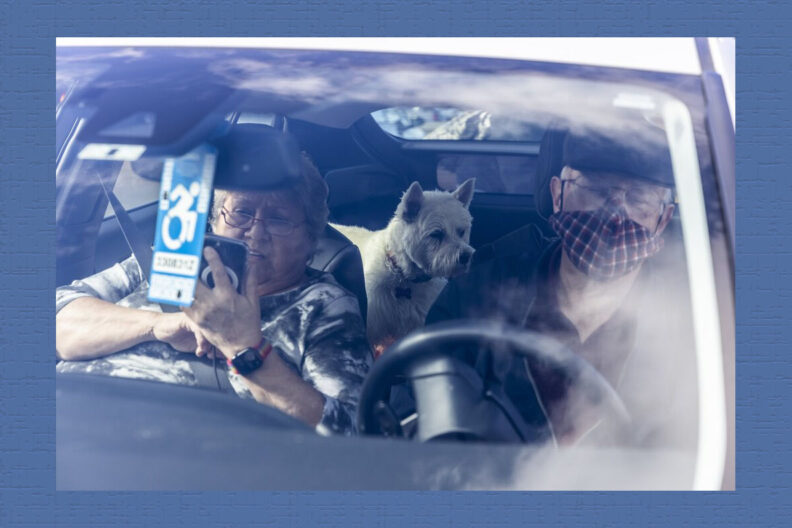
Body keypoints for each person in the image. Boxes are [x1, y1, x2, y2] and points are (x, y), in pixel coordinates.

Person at [56, 125, 373, 436]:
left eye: (278, 219)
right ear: (215, 218)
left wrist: (243, 347)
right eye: (241, 212)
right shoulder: (168, 257)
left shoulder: (324, 307)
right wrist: (156, 325)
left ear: (310, 239)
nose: (256, 232)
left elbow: (347, 435)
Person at [426, 123, 698, 447]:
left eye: (638, 197)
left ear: (663, 220)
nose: (614, 214)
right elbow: (413, 406)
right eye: (596, 188)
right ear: (557, 194)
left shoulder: (694, 328)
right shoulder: (480, 289)